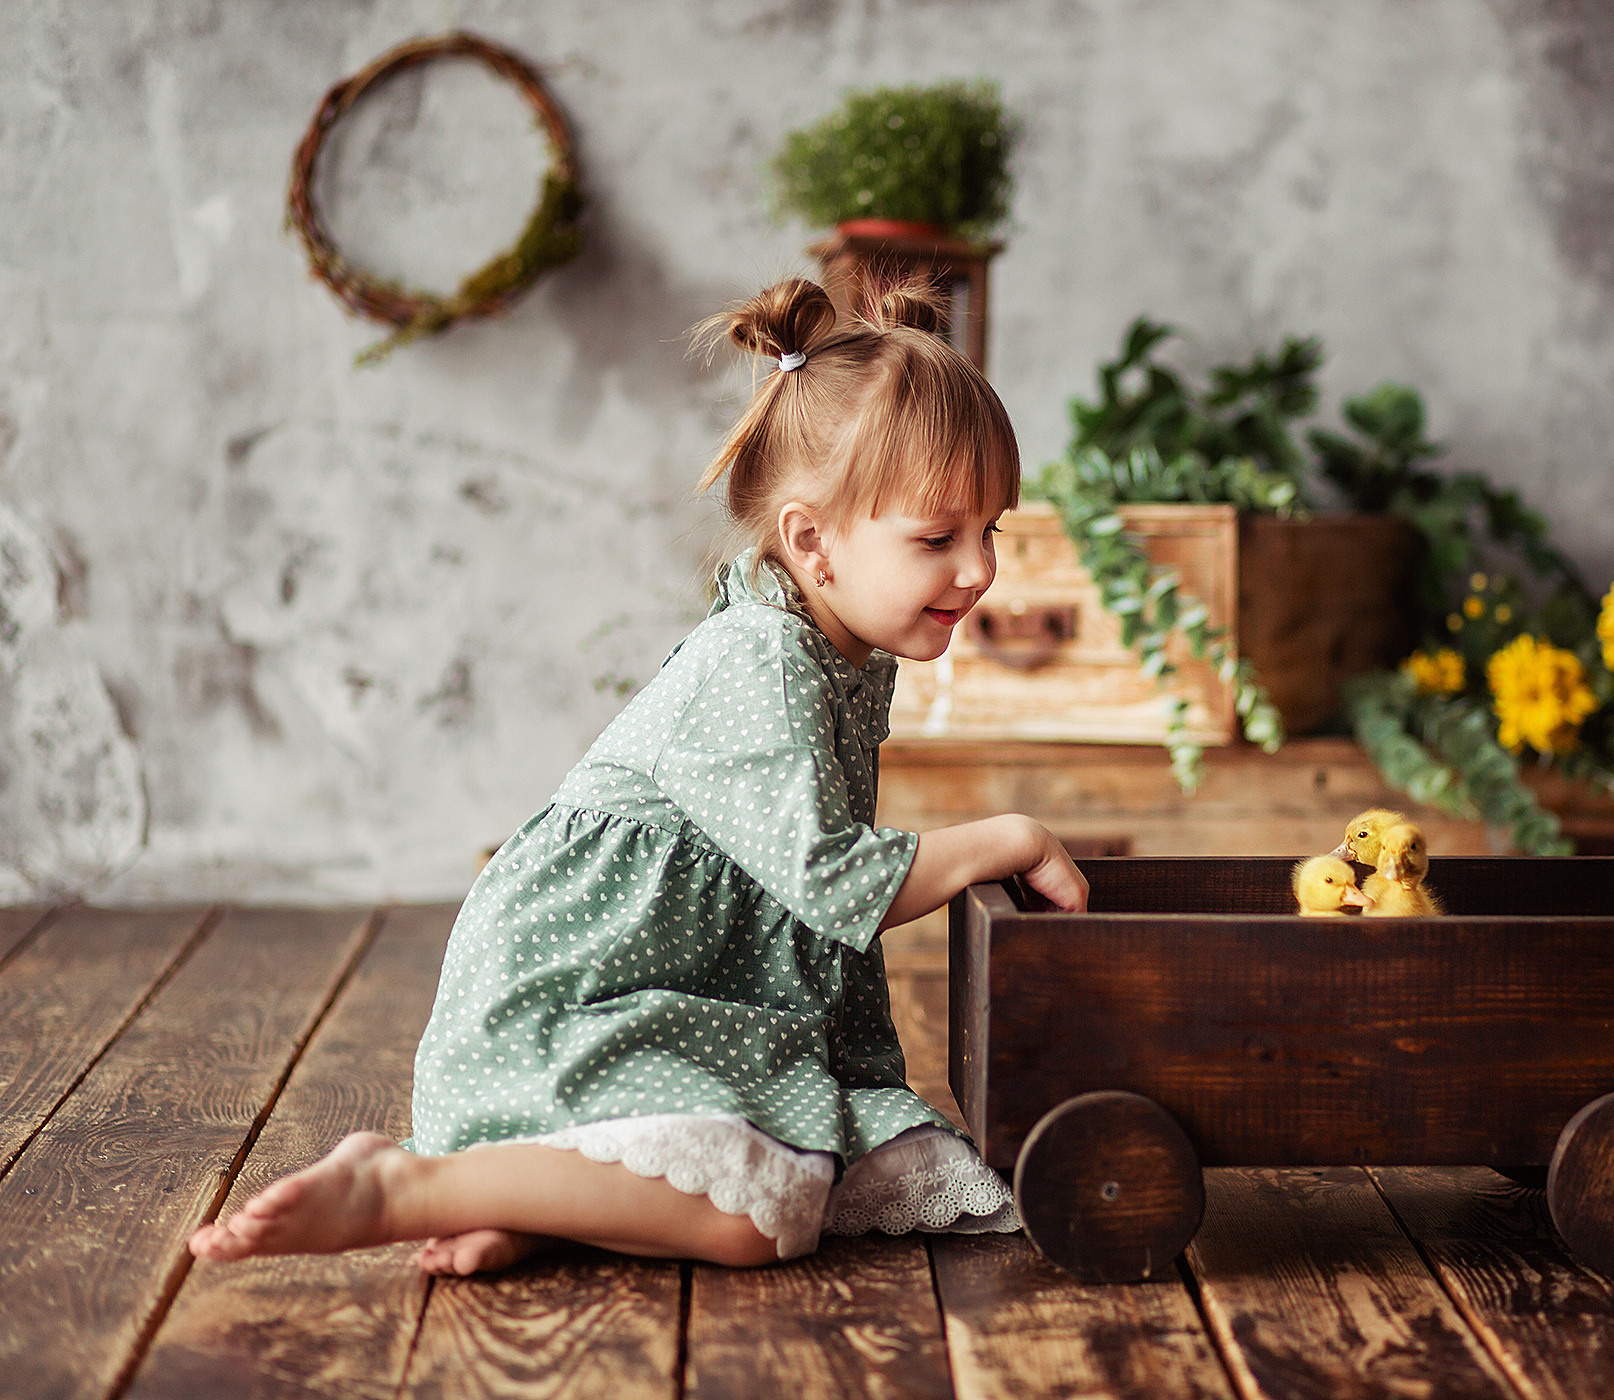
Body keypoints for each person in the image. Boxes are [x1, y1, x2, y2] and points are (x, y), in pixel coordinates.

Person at [188, 277, 1088, 1273]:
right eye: (937, 538)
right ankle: (404, 1183)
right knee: (761, 1216)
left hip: (682, 992)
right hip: (577, 993)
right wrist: (1004, 837)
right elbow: (832, 883)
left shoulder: (833, 649)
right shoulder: (762, 661)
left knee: (812, 1169)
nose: (979, 572)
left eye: (989, 533)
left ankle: (536, 1194)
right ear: (811, 541)